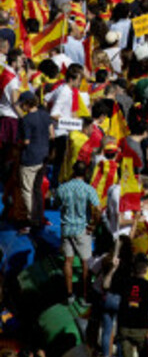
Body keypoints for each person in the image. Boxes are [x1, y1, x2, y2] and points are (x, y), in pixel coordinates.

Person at [55, 160, 101, 304]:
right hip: (82, 229)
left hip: (66, 228)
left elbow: (56, 203)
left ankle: (69, 294)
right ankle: (85, 296)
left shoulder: (63, 188)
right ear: (85, 172)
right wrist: (92, 225)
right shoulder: (88, 189)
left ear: (73, 171)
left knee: (68, 261)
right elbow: (98, 209)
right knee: (85, 263)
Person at [17, 91, 53, 230]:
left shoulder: (26, 120)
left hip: (30, 158)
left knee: (27, 190)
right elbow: (52, 134)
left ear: (26, 104)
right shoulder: (45, 115)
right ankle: (38, 215)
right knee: (37, 189)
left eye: (22, 104)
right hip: (43, 156)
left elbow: (26, 141)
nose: (21, 106)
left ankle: (32, 218)